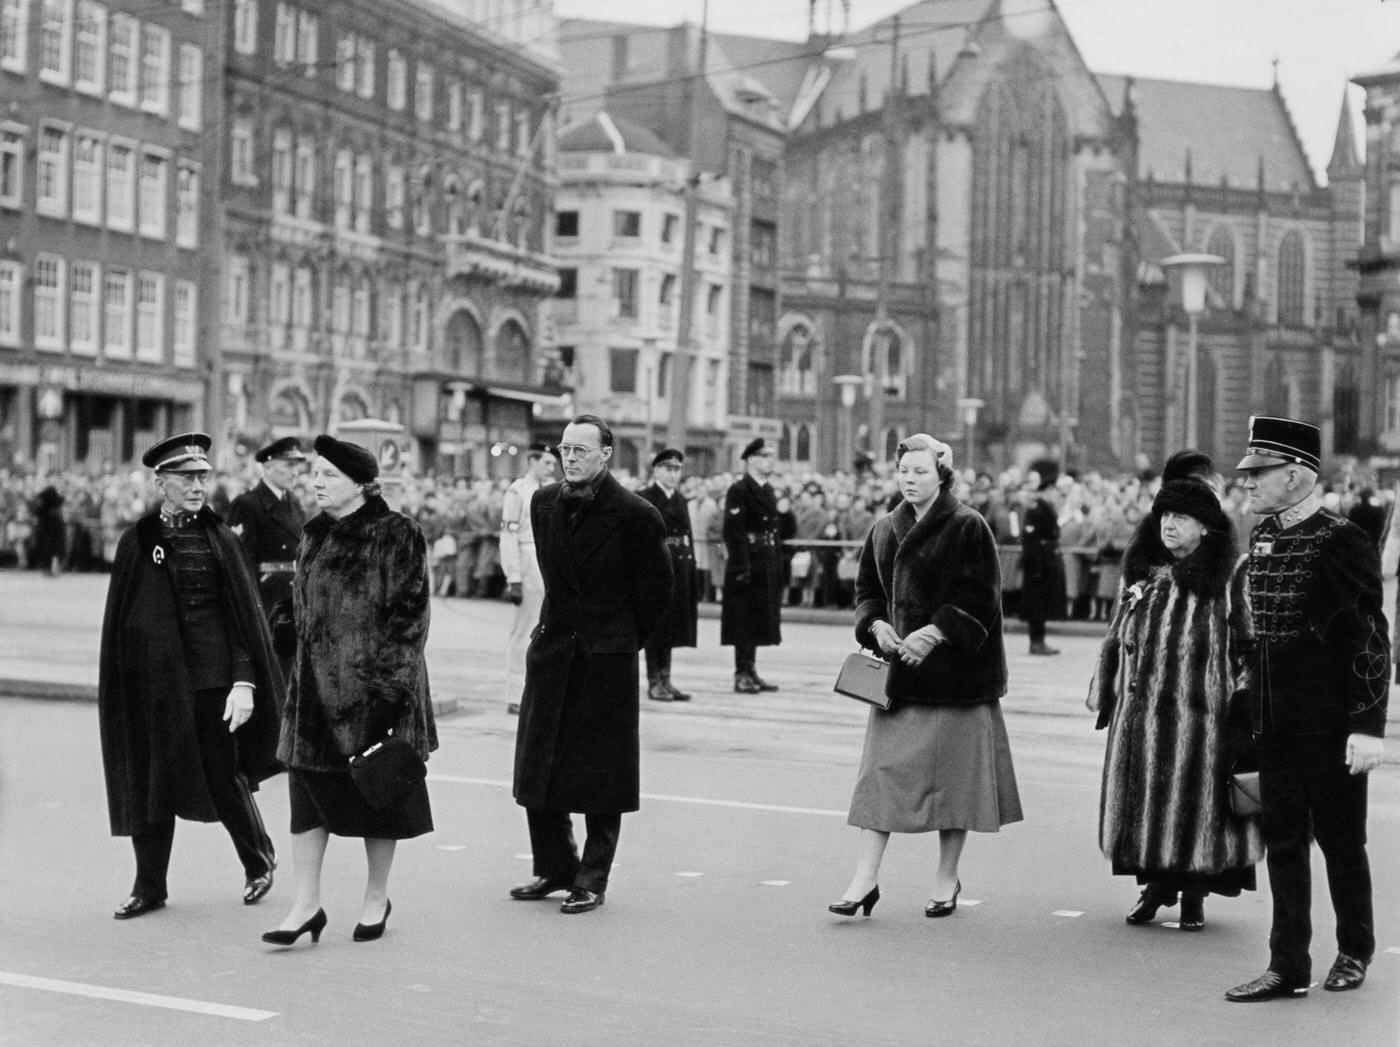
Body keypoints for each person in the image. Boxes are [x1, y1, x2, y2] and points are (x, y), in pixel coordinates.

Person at [1226, 416, 1389, 1002]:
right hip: (1276, 721)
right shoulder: (1263, 536)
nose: (1246, 482)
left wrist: (1367, 727)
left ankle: (1353, 949)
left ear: (1295, 475)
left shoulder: (1341, 538)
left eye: (1257, 473)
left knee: (1341, 839)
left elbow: (1368, 636)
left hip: (1329, 721)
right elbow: (1261, 638)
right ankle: (1288, 962)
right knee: (1284, 838)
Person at [831, 435, 1022, 919]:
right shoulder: (882, 529)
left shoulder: (968, 526)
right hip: (902, 683)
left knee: (955, 787)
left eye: (919, 471)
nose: (910, 479)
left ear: (941, 474)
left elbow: (983, 598)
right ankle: (864, 880)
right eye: (903, 472)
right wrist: (875, 626)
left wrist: (934, 633)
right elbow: (866, 593)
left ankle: (946, 878)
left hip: (957, 682)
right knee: (879, 780)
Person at [98, 433, 282, 920]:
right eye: (186, 477)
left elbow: (243, 618)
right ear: (162, 483)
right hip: (154, 685)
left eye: (203, 476)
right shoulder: (137, 541)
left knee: (222, 774)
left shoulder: (222, 539)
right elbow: (122, 620)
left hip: (212, 682)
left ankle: (258, 860)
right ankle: (149, 886)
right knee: (151, 779)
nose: (198, 485)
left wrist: (244, 682)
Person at [263, 435, 436, 947]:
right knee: (307, 799)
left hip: (376, 690)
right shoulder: (313, 531)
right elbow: (306, 598)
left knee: (377, 795)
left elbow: (410, 620)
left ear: (362, 485)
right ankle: (305, 905)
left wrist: (388, 693)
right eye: (314, 473)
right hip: (314, 689)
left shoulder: (397, 533)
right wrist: (286, 622)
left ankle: (374, 898)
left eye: (329, 475)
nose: (316, 481)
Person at [509, 414, 672, 914]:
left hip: (606, 657)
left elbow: (658, 594)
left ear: (606, 454)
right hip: (554, 649)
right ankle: (554, 866)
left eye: (582, 450)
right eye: (565, 449)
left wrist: (620, 640)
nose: (571, 458)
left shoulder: (636, 514)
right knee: (541, 764)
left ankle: (593, 877)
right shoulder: (543, 503)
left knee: (603, 772)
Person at [1088, 478, 1262, 932]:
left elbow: (1250, 644)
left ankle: (1194, 896)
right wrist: (1106, 688)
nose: (1169, 524)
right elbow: (1116, 634)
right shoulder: (1142, 570)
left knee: (1197, 806)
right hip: (1140, 717)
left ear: (1205, 527)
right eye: (1164, 515)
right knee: (1145, 802)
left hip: (1202, 720)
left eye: (1181, 517)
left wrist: (1244, 705)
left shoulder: (1230, 574)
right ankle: (1157, 886)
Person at [227, 436, 308, 641]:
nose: (295, 472)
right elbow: (240, 564)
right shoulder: (247, 505)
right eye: (288, 465)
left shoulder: (295, 504)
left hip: (294, 600)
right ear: (268, 467)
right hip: (266, 602)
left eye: (297, 465)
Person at [721, 439, 784, 692]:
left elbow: (774, 529)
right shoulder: (739, 490)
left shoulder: (767, 489)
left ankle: (751, 669)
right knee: (743, 619)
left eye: (771, 456)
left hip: (765, 559)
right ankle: (741, 672)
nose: (771, 460)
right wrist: (741, 566)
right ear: (751, 460)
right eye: (765, 456)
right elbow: (733, 532)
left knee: (758, 617)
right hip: (748, 562)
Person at [637, 448, 699, 702]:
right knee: (657, 628)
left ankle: (666, 678)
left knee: (672, 625)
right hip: (657, 570)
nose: (674, 474)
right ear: (656, 470)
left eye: (677, 470)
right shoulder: (645, 498)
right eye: (668, 469)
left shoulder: (681, 500)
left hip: (679, 568)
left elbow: (688, 537)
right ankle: (654, 681)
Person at [500, 442, 557, 715]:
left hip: (546, 559)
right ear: (532, 461)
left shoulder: (549, 490)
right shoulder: (517, 491)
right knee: (523, 630)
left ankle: (537, 690)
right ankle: (515, 693)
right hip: (526, 558)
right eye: (546, 462)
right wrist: (513, 576)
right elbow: (508, 535)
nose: (551, 467)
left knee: (544, 629)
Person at [1020, 459, 1066, 655]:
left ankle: (1039, 640)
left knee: (1043, 603)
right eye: (1055, 490)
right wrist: (1035, 566)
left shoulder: (1045, 508)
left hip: (1046, 561)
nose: (1057, 495)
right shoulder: (1036, 509)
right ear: (1048, 490)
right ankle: (1036, 641)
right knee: (1036, 604)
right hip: (1038, 562)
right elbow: (1030, 539)